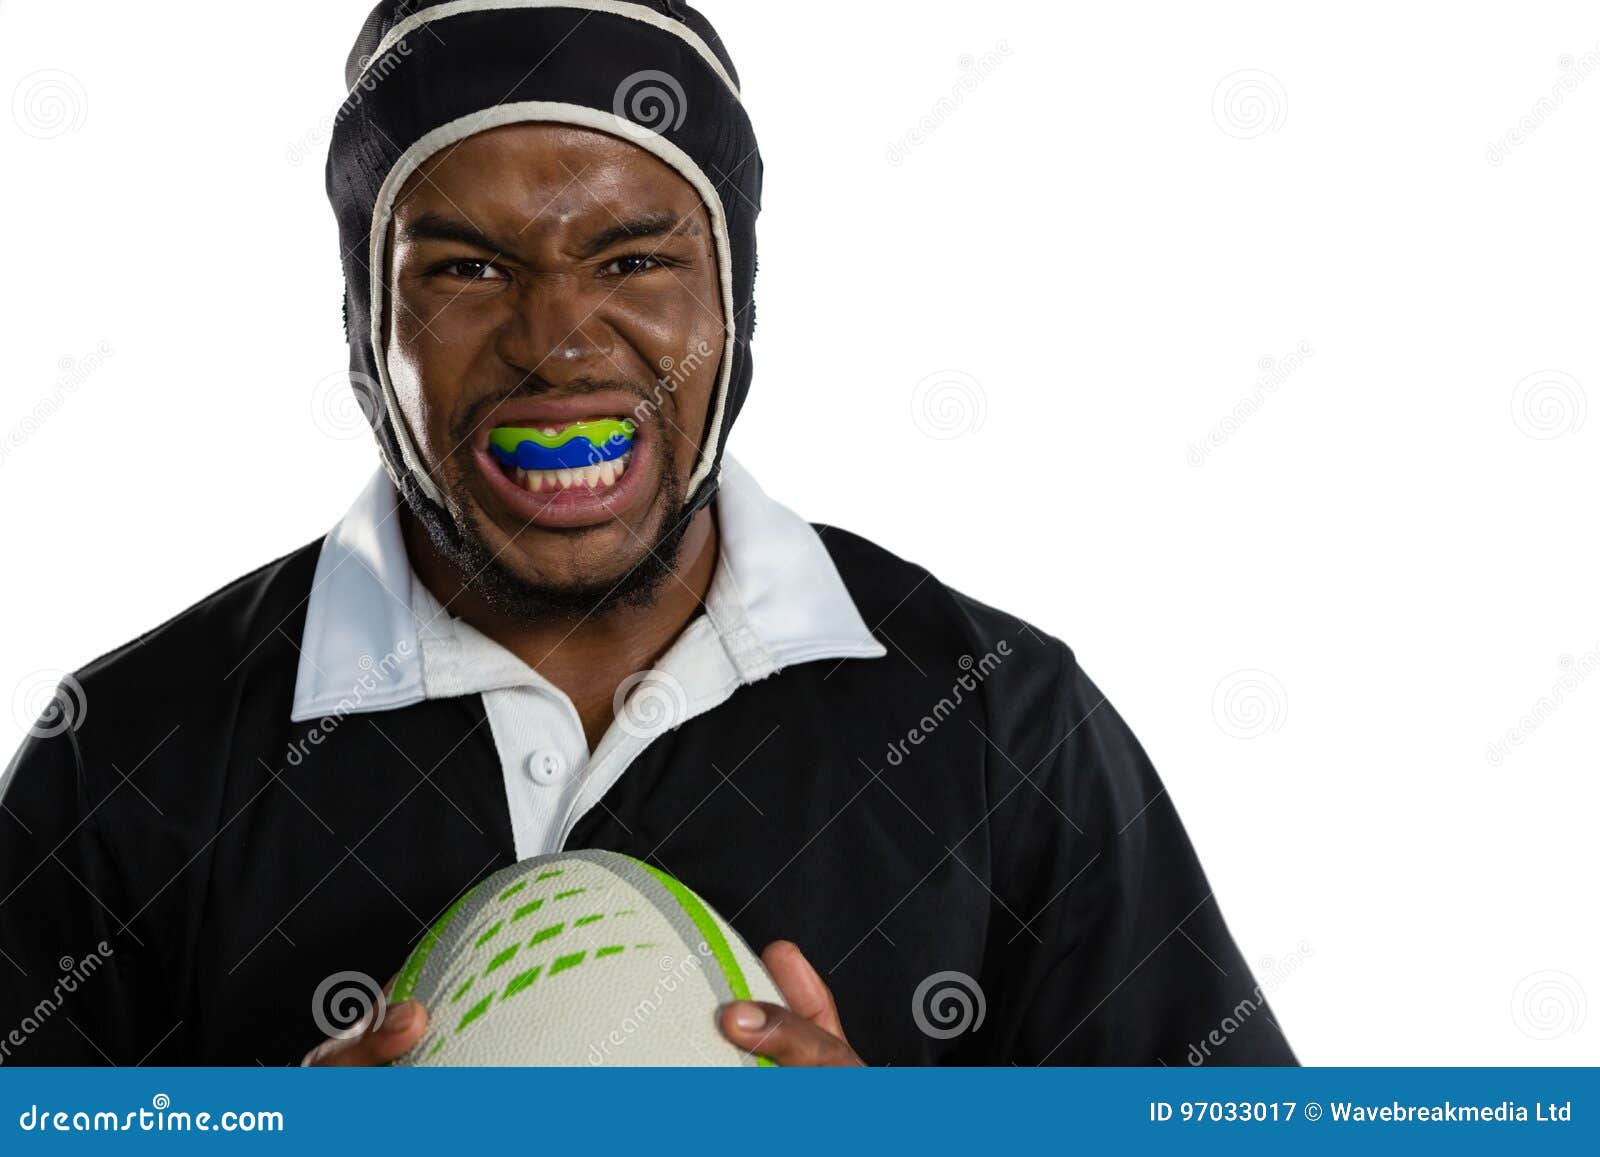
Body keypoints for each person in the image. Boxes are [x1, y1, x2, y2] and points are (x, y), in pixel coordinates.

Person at [0, 0, 1295, 1067]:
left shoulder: (1000, 730)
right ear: (364, 327)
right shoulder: (127, 759)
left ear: (734, 307)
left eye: (634, 261)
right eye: (465, 267)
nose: (556, 340)